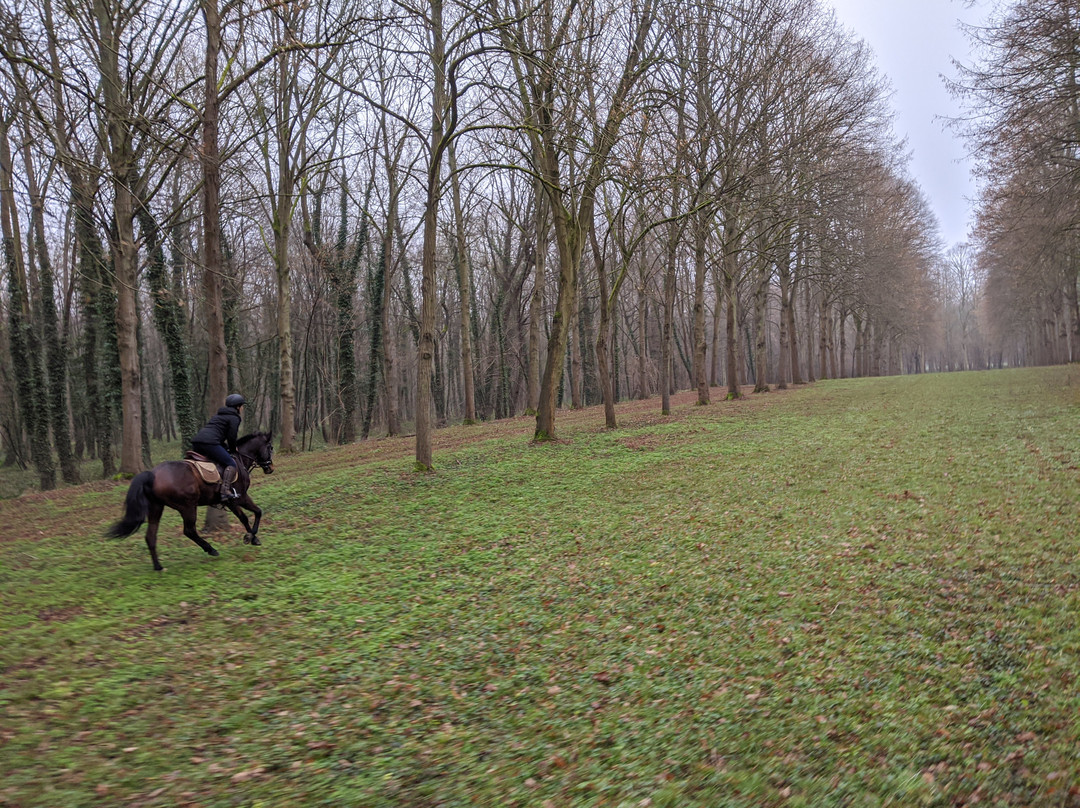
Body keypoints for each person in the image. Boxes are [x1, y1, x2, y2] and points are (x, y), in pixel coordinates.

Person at [191, 393, 246, 504]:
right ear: (237, 407)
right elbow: (231, 436)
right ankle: (225, 490)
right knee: (231, 463)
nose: (242, 408)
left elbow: (218, 435)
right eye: (242, 406)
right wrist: (233, 449)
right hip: (210, 443)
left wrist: (225, 447)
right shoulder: (234, 418)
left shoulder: (218, 416)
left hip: (197, 442)